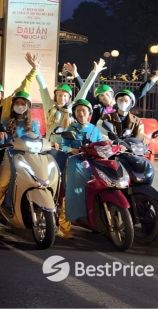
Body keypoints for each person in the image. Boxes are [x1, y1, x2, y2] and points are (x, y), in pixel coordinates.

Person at [0, 91, 41, 231]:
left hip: (28, 158)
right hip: (10, 157)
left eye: (22, 103)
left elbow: (38, 140)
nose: (19, 106)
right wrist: (0, 136)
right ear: (13, 105)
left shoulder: (33, 125)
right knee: (2, 184)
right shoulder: (5, 122)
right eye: (17, 103)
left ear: (28, 106)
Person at [58, 99, 103, 238]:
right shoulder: (70, 129)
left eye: (83, 110)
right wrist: (72, 150)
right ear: (74, 113)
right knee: (71, 194)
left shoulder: (95, 129)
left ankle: (95, 222)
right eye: (78, 111)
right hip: (75, 163)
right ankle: (63, 227)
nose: (81, 113)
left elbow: (101, 144)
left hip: (93, 164)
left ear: (89, 113)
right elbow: (63, 146)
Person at [37, 60, 104, 147]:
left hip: (69, 146)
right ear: (55, 96)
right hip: (51, 145)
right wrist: (36, 69)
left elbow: (84, 89)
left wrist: (94, 72)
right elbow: (43, 88)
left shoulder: (73, 108)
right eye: (59, 95)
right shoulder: (50, 107)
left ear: (69, 97)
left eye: (65, 95)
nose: (62, 98)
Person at [83, 69, 158, 126]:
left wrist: (154, 78)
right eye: (101, 95)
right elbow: (84, 90)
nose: (105, 97)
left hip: (120, 133)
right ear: (99, 99)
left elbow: (140, 92)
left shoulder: (121, 102)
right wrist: (76, 75)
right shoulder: (97, 107)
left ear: (112, 94)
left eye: (107, 94)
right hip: (101, 135)